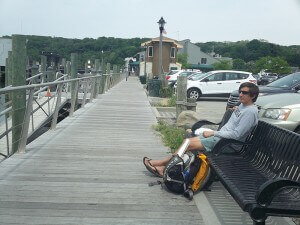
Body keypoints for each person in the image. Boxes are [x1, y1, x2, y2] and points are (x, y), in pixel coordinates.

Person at [143, 82, 259, 177]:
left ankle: (162, 166)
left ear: (253, 96)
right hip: (221, 137)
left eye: (244, 93)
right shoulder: (243, 106)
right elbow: (237, 120)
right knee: (186, 142)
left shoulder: (250, 112)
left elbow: (236, 135)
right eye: (240, 92)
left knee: (188, 145)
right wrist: (235, 110)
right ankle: (164, 167)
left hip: (227, 143)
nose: (240, 95)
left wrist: (213, 132)